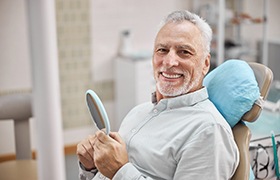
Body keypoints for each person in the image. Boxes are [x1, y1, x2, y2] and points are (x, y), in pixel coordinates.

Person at [76, 10, 239, 180]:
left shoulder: (209, 131)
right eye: (162, 50)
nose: (169, 62)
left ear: (205, 63)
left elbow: (117, 172)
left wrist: (120, 171)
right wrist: (91, 167)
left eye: (184, 52)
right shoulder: (138, 112)